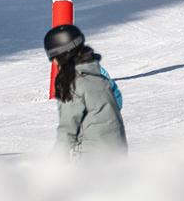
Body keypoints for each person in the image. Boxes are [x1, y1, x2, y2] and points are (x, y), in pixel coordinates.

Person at [46, 25, 126, 155]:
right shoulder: (99, 75)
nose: (54, 63)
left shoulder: (72, 83)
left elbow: (67, 132)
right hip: (118, 153)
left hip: (91, 158)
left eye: (54, 57)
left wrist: (54, 166)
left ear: (63, 56)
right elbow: (116, 99)